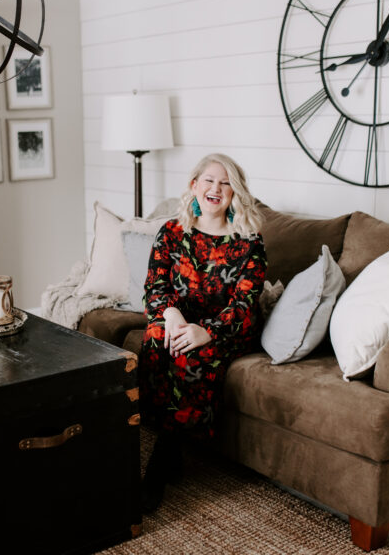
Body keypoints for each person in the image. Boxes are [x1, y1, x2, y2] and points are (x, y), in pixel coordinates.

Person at [139, 153, 267, 512]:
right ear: (194, 185)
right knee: (153, 337)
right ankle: (171, 445)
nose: (216, 188)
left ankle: (161, 459)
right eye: (209, 180)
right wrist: (173, 314)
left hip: (227, 329)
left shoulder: (249, 241)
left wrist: (207, 332)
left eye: (225, 183)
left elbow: (245, 305)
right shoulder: (172, 231)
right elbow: (154, 286)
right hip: (178, 317)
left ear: (234, 193)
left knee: (191, 353)